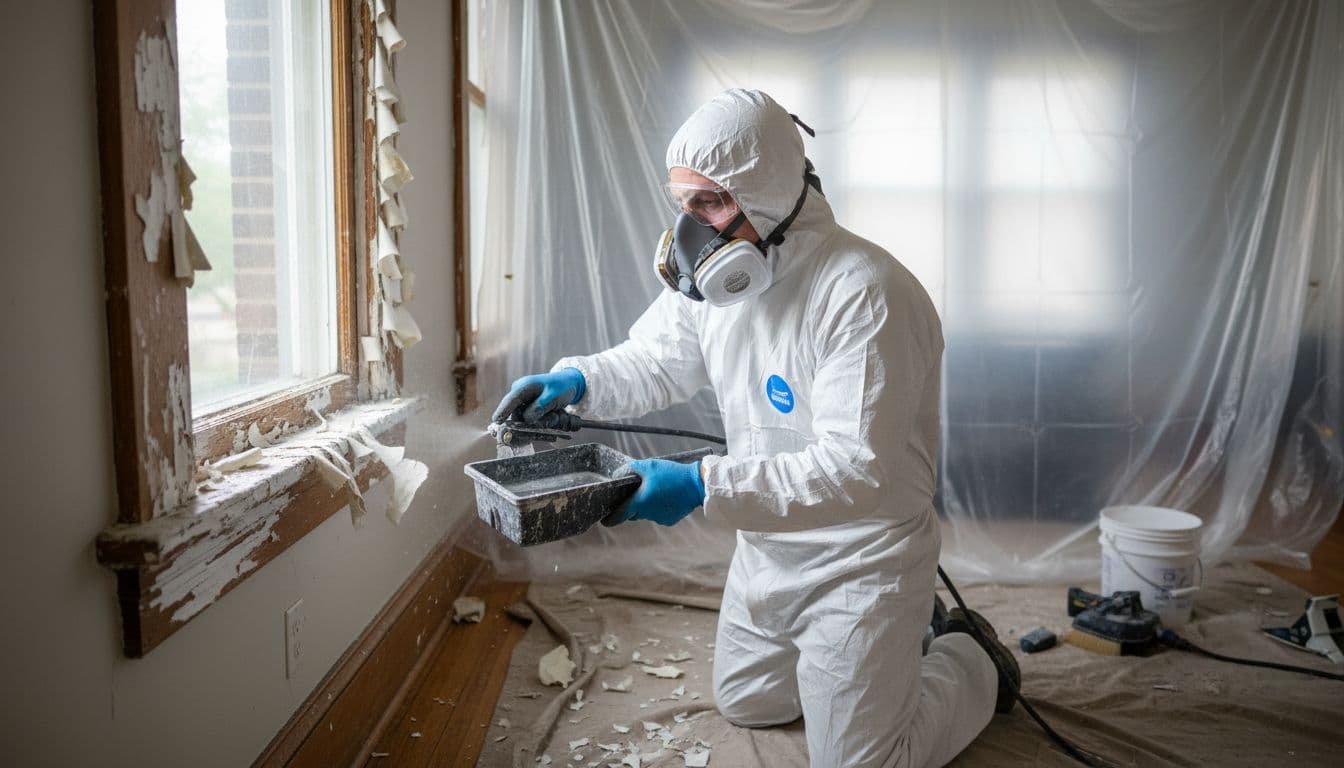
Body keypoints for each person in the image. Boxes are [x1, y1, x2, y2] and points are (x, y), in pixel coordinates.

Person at [492, 88, 1018, 768]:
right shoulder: (718, 284)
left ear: (767, 192)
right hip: (769, 545)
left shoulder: (865, 292)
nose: (692, 230)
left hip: (862, 556)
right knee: (749, 703)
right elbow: (656, 360)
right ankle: (875, 664)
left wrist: (700, 485)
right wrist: (579, 379)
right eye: (684, 205)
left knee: (866, 762)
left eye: (708, 203)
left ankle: (969, 656)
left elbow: (854, 470)